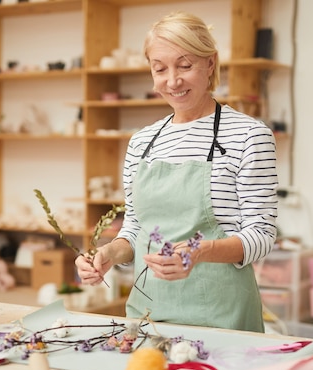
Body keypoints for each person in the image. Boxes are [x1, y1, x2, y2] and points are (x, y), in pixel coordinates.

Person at [76, 11, 278, 332]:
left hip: (222, 315)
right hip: (148, 311)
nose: (172, 81)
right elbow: (136, 229)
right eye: (160, 69)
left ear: (210, 63)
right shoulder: (142, 142)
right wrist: (109, 253)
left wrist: (200, 252)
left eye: (185, 65)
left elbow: (262, 234)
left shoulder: (249, 135)